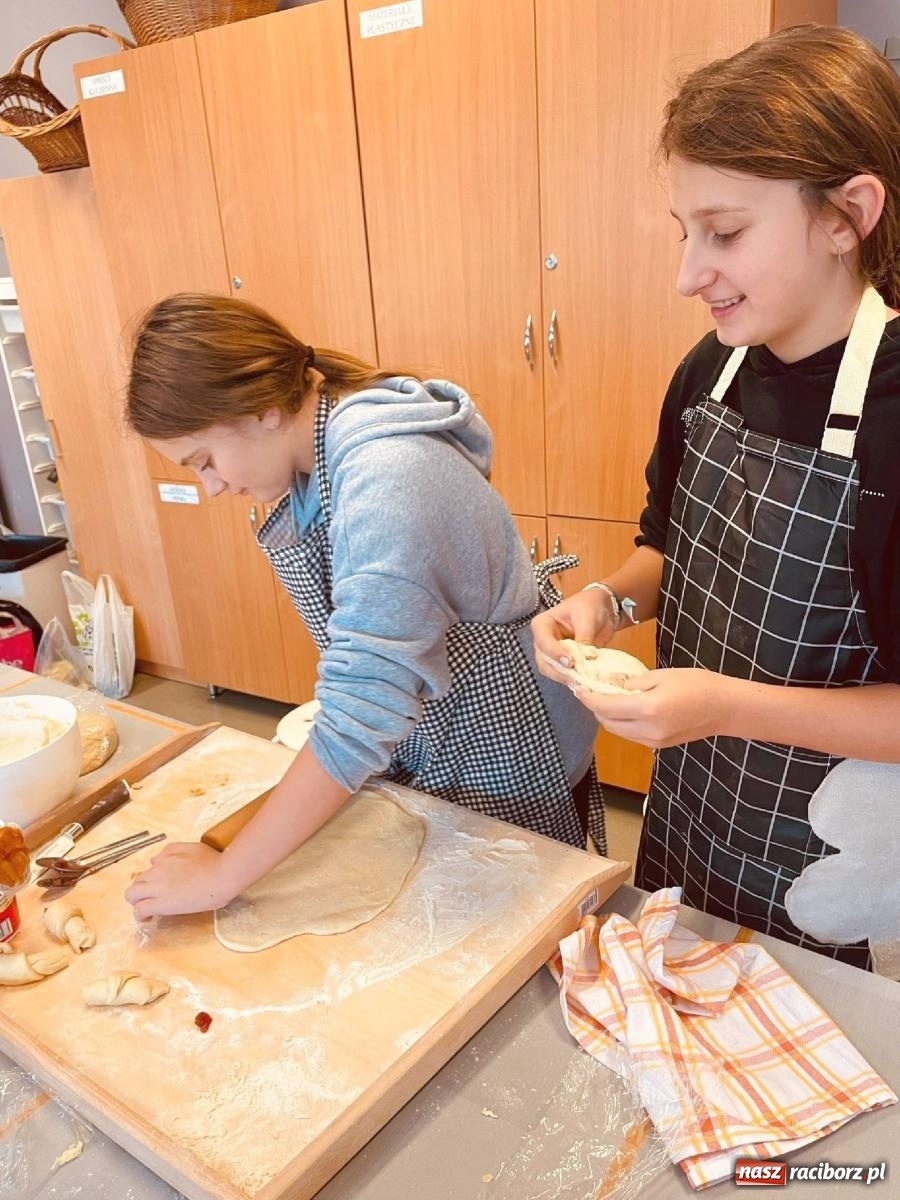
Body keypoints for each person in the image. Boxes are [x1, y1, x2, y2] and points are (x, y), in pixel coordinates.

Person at [533, 24, 900, 968]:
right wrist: (607, 604)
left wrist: (725, 705)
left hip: (821, 843)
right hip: (690, 798)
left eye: (726, 233)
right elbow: (668, 548)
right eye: (685, 231)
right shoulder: (713, 371)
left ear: (846, 213)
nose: (688, 273)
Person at [123, 294, 603, 919]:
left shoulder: (388, 475)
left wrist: (220, 879)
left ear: (262, 410)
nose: (210, 486)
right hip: (437, 728)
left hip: (504, 741)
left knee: (512, 932)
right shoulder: (317, 460)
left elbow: (361, 709)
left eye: (205, 461)